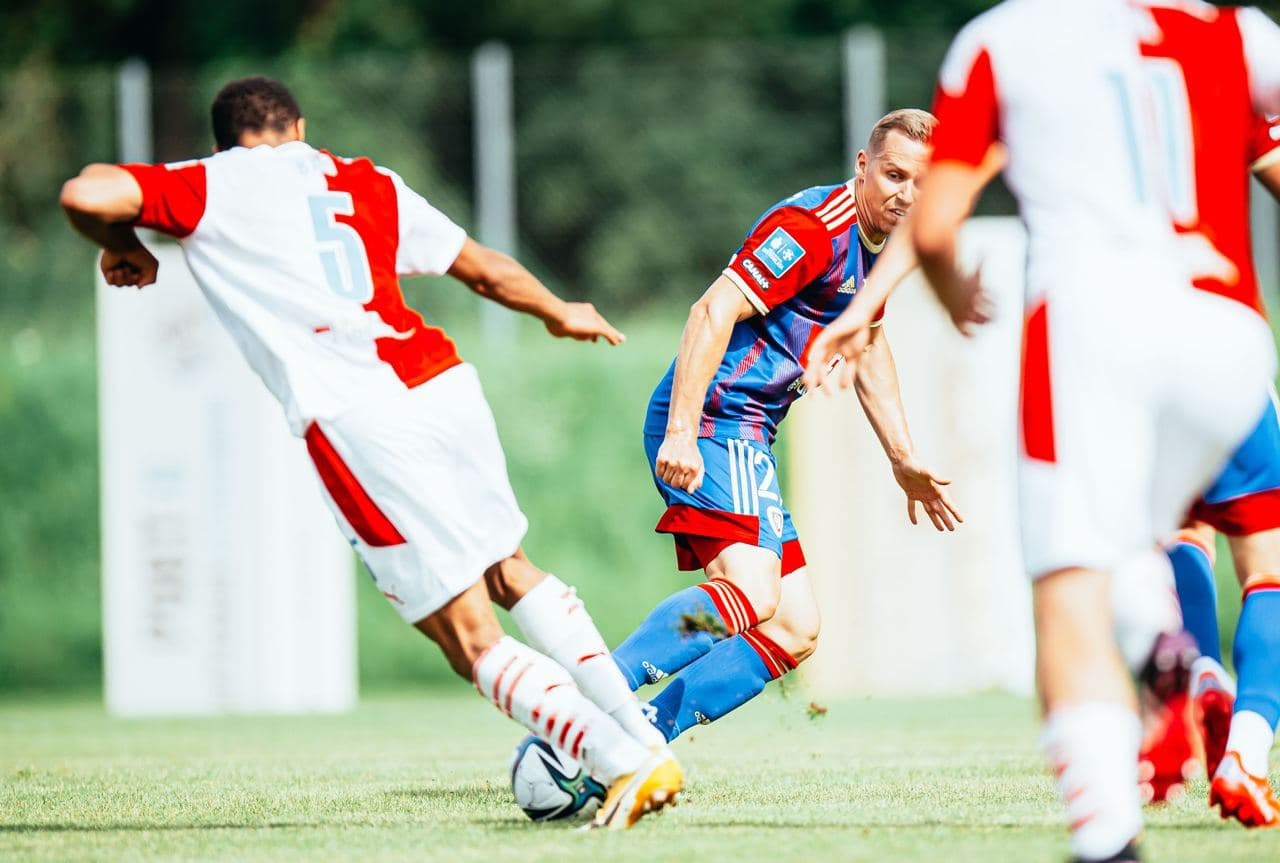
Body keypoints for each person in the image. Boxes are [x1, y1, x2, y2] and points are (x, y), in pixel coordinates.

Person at [59, 76, 680, 830]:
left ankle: (623, 760)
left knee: (466, 637)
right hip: (442, 384)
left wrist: (123, 245)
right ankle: (643, 734)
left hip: (356, 413)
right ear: (300, 128)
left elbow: (85, 194)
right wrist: (558, 310)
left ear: (225, 143)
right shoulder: (365, 180)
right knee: (510, 570)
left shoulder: (214, 182)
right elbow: (482, 267)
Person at [802, 11, 1280, 826]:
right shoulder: (1230, 31)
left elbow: (936, 217)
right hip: (1222, 330)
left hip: (1093, 337)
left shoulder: (1009, 42)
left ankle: (1167, 669)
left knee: (1087, 576)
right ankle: (1248, 744)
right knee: (1261, 560)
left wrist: (879, 303)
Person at [607, 109, 961, 744]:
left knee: (794, 627)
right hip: (717, 418)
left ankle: (640, 736)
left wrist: (902, 456)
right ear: (863, 166)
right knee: (751, 592)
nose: (906, 195)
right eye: (894, 175)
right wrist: (682, 431)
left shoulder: (881, 247)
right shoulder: (812, 229)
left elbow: (868, 340)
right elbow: (711, 310)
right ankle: (599, 688)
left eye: (921, 183)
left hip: (749, 433)